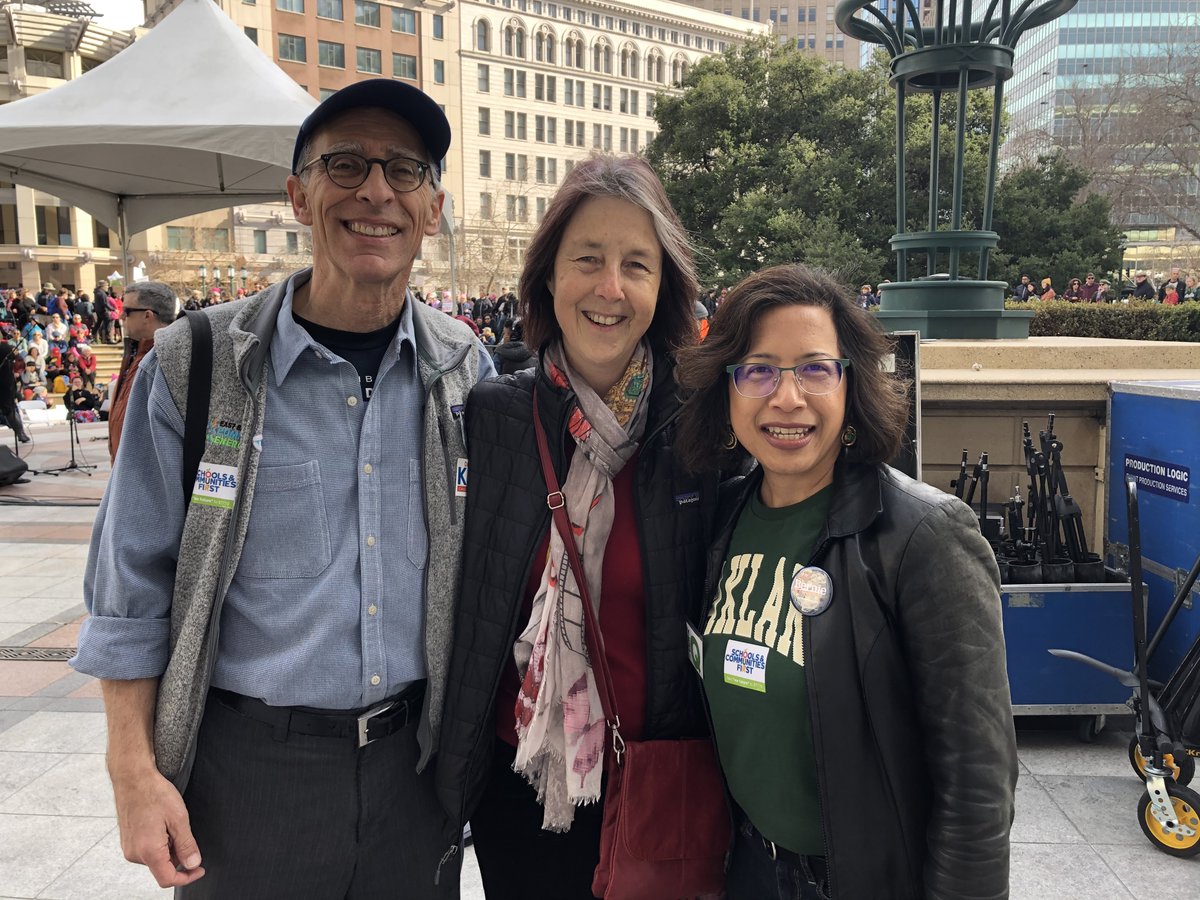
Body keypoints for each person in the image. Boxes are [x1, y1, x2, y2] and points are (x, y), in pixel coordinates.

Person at [71, 79, 493, 899]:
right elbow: (128, 588)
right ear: (297, 197)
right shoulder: (197, 365)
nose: (376, 191)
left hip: (415, 777)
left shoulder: (463, 370)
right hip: (246, 781)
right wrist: (132, 769)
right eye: (346, 165)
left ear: (432, 209)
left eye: (404, 170)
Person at [673, 264, 1017, 900]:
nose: (787, 398)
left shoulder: (923, 536)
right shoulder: (723, 518)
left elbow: (978, 779)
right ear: (727, 390)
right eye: (758, 371)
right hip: (747, 868)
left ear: (850, 384)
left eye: (814, 369)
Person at [436, 155, 718, 899]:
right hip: (522, 782)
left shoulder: (701, 431)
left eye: (636, 265)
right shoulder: (495, 418)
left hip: (659, 782)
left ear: (664, 287)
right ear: (549, 277)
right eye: (588, 259)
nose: (610, 288)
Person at [107, 280, 178, 461]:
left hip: (144, 469)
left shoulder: (169, 357)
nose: (121, 316)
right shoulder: (137, 350)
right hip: (125, 465)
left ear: (147, 315)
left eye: (127, 311)